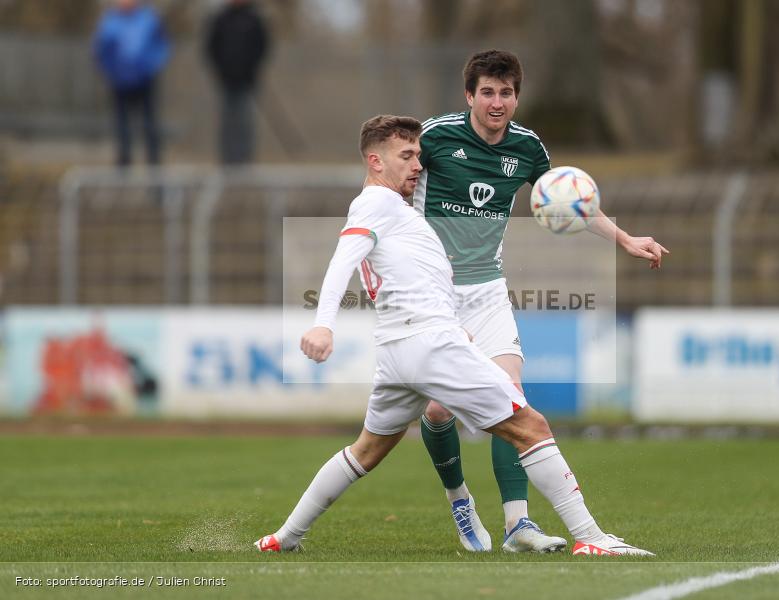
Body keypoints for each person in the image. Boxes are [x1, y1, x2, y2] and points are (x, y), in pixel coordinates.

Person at [254, 115, 654, 557]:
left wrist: (448, 319)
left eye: (418, 156)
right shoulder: (376, 204)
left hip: (398, 351)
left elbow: (409, 275)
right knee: (532, 426)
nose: (416, 166)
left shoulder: (397, 213)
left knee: (365, 451)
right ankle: (592, 539)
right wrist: (323, 323)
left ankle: (284, 537)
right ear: (375, 161)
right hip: (427, 344)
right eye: (406, 157)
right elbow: (342, 259)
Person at [413, 49, 669, 553]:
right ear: (470, 95)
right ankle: (460, 500)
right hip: (433, 293)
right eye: (487, 91)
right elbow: (395, 183)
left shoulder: (528, 148)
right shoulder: (436, 136)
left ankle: (517, 525)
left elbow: (571, 201)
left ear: (516, 98)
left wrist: (624, 239)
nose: (496, 102)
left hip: (486, 290)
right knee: (441, 411)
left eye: (506, 93)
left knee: (511, 397)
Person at [93, 0, 170, 167]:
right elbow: (101, 51)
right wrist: (111, 72)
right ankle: (124, 162)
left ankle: (154, 162)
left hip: (144, 81)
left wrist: (150, 67)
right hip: (120, 82)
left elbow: (161, 46)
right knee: (122, 125)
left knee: (149, 124)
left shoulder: (149, 19)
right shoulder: (110, 22)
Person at [204, 0, 270, 165]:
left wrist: (251, 68)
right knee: (227, 122)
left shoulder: (255, 18)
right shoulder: (220, 19)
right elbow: (211, 47)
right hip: (226, 79)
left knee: (245, 121)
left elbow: (262, 46)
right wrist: (220, 70)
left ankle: (245, 159)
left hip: (247, 79)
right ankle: (227, 159)